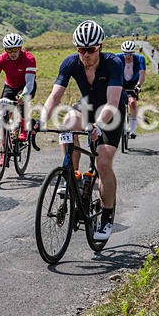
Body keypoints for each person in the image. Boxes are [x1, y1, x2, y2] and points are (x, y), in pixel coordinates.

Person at [37, 20, 123, 241]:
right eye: (82, 50)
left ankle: (106, 215)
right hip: (85, 107)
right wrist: (40, 120)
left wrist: (98, 125)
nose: (86, 54)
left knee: (102, 162)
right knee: (67, 123)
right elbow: (55, 96)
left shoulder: (113, 63)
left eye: (91, 49)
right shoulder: (70, 63)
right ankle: (71, 176)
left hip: (109, 113)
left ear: (100, 47)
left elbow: (112, 103)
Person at [0, 33, 37, 163]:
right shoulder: (1, 59)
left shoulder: (29, 59)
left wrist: (23, 95)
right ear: (5, 50)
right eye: (9, 50)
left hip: (26, 85)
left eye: (15, 49)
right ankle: (4, 151)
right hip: (10, 86)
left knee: (22, 101)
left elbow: (29, 82)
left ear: (20, 48)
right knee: (2, 116)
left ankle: (23, 128)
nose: (12, 52)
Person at [117, 40, 146, 139]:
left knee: (132, 103)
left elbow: (142, 75)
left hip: (133, 84)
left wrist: (138, 85)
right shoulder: (118, 57)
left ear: (133, 53)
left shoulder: (140, 59)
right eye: (125, 53)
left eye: (130, 54)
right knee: (116, 103)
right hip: (121, 82)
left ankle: (132, 128)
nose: (128, 56)